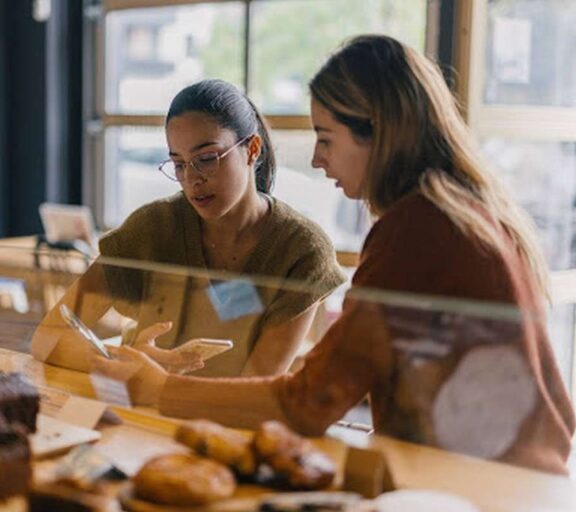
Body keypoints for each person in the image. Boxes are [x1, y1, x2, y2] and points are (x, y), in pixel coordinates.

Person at [92, 35, 575, 475]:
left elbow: (310, 401)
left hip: (480, 486)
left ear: (378, 132)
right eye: (179, 164)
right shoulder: (464, 209)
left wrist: (158, 387)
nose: (318, 160)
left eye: (325, 138)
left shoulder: (415, 229)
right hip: (515, 478)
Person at [31, 79, 346, 378]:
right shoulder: (153, 229)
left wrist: (157, 381)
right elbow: (48, 338)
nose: (192, 180)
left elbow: (253, 388)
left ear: (252, 149)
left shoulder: (302, 250)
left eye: (206, 159)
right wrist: (125, 362)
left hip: (228, 428)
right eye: (178, 164)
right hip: (139, 419)